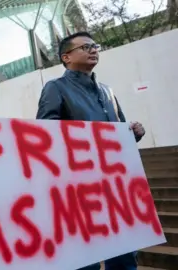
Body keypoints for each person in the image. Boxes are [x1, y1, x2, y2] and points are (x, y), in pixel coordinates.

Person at [36, 32, 145, 270]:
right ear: (66, 57)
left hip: (116, 185)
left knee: (125, 254)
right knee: (86, 257)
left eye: (94, 46)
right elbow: (44, 135)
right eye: (85, 47)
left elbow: (121, 132)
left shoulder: (108, 92)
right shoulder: (55, 88)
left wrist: (134, 132)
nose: (93, 50)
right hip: (79, 187)